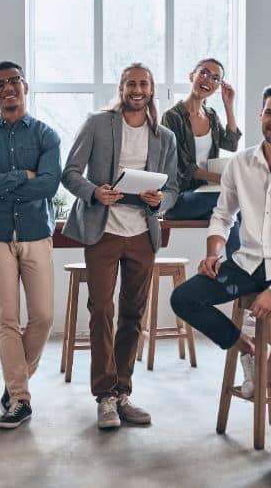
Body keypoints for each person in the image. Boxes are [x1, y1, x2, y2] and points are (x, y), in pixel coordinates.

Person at [170, 82, 271, 488]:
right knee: (185, 298)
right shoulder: (240, 164)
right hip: (246, 265)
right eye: (269, 113)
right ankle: (247, 350)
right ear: (260, 114)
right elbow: (222, 216)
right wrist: (213, 252)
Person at [61, 63, 178, 430]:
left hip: (142, 232)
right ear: (121, 88)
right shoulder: (98, 123)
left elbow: (173, 188)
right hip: (104, 229)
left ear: (151, 89)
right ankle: (104, 396)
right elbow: (70, 173)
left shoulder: (165, 137)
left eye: (143, 84)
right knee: (101, 310)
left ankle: (122, 392)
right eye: (131, 84)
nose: (137, 90)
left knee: (133, 313)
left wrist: (160, 200)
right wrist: (95, 192)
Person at [0, 61, 61, 429]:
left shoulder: (46, 135)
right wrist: (24, 175)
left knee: (43, 317)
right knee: (6, 317)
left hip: (36, 233)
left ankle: (13, 382)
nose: (8, 88)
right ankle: (20, 398)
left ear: (25, 86)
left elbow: (49, 185)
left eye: (14, 81)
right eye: (0, 83)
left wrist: (1, 182)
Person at [161, 58, 242, 259]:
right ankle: (239, 269)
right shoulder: (172, 117)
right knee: (230, 200)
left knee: (236, 213)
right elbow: (184, 167)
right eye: (204, 73)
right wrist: (224, 180)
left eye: (215, 78)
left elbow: (231, 144)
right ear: (192, 76)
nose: (208, 80)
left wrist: (229, 106)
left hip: (207, 196)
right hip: (179, 200)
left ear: (218, 85)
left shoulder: (211, 115)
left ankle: (237, 268)